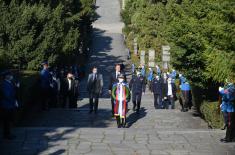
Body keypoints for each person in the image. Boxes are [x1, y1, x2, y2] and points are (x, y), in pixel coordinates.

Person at [0, 71, 18, 140]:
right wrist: (14, 101)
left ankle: (7, 134)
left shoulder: (8, 83)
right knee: (6, 121)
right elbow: (7, 95)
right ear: (6, 76)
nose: (11, 76)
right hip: (7, 105)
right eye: (10, 75)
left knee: (7, 120)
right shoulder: (5, 84)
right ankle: (7, 135)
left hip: (8, 104)